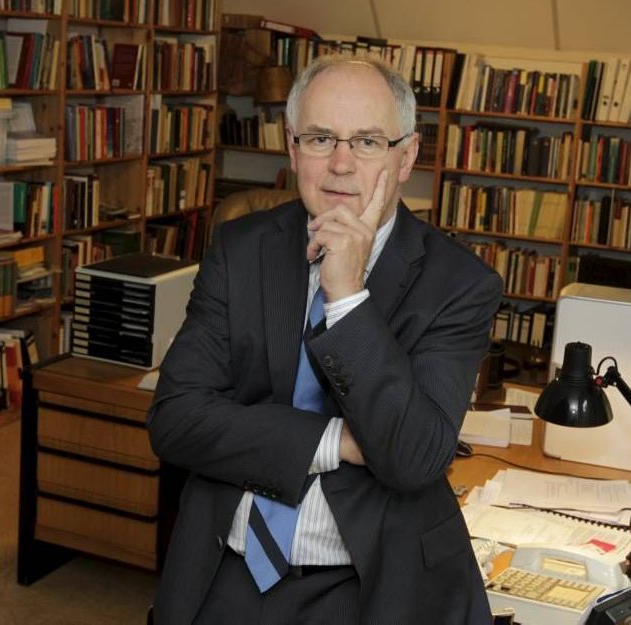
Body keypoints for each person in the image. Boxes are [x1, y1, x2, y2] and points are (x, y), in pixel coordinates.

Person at [147, 55, 503, 624]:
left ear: (405, 156)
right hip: (228, 567)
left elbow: (412, 457)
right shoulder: (241, 249)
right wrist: (336, 441)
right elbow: (175, 420)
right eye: (320, 138)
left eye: (366, 142)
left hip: (366, 582)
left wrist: (346, 298)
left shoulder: (458, 284)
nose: (340, 164)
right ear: (291, 149)